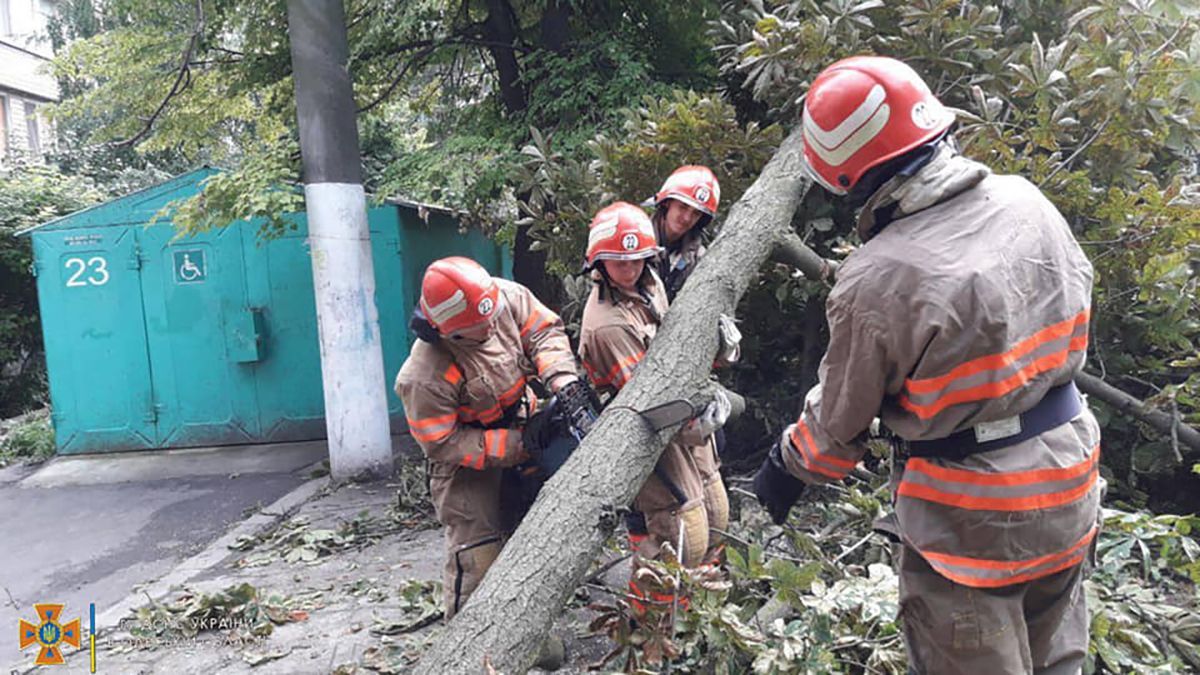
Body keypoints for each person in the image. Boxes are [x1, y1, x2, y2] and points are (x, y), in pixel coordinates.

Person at [751, 56, 1102, 674]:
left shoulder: (877, 277)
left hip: (972, 525)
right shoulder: (1028, 202)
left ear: (849, 178)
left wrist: (787, 464)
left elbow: (838, 428)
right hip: (1070, 482)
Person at [394, 256, 594, 625]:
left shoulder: (502, 298)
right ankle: (468, 644)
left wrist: (561, 380)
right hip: (464, 465)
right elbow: (442, 443)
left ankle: (531, 631)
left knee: (532, 536)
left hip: (522, 420)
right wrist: (515, 445)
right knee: (479, 558)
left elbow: (544, 331)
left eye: (491, 316)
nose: (491, 325)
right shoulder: (423, 376)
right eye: (479, 326)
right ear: (450, 332)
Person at [576, 202, 731, 617]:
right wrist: (698, 418)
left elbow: (672, 344)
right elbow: (645, 400)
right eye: (617, 263)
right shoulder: (605, 323)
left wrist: (716, 351)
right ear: (599, 262)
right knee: (682, 530)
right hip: (647, 427)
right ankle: (651, 630)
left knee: (716, 510)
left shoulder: (650, 281)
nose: (628, 270)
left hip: (680, 411)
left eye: (635, 260)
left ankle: (703, 615)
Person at [649, 165, 721, 302]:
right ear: (667, 203)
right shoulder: (636, 239)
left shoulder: (698, 258)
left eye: (696, 213)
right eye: (683, 207)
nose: (687, 218)